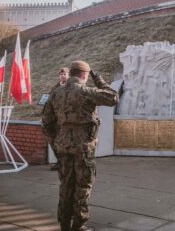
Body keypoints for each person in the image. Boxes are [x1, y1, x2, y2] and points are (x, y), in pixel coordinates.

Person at [42, 61, 119, 231]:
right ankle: (79, 225)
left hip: (63, 149)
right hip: (83, 149)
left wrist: (56, 144)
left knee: (65, 186)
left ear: (71, 74)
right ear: (84, 75)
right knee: (82, 187)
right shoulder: (87, 92)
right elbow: (113, 97)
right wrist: (97, 78)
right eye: (87, 75)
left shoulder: (55, 94)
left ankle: (64, 225)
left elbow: (46, 124)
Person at [49, 67, 69, 171]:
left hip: (68, 119)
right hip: (56, 119)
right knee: (56, 142)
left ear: (68, 75)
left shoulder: (72, 87)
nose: (62, 76)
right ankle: (59, 162)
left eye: (64, 74)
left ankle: (66, 163)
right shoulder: (54, 88)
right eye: (61, 74)